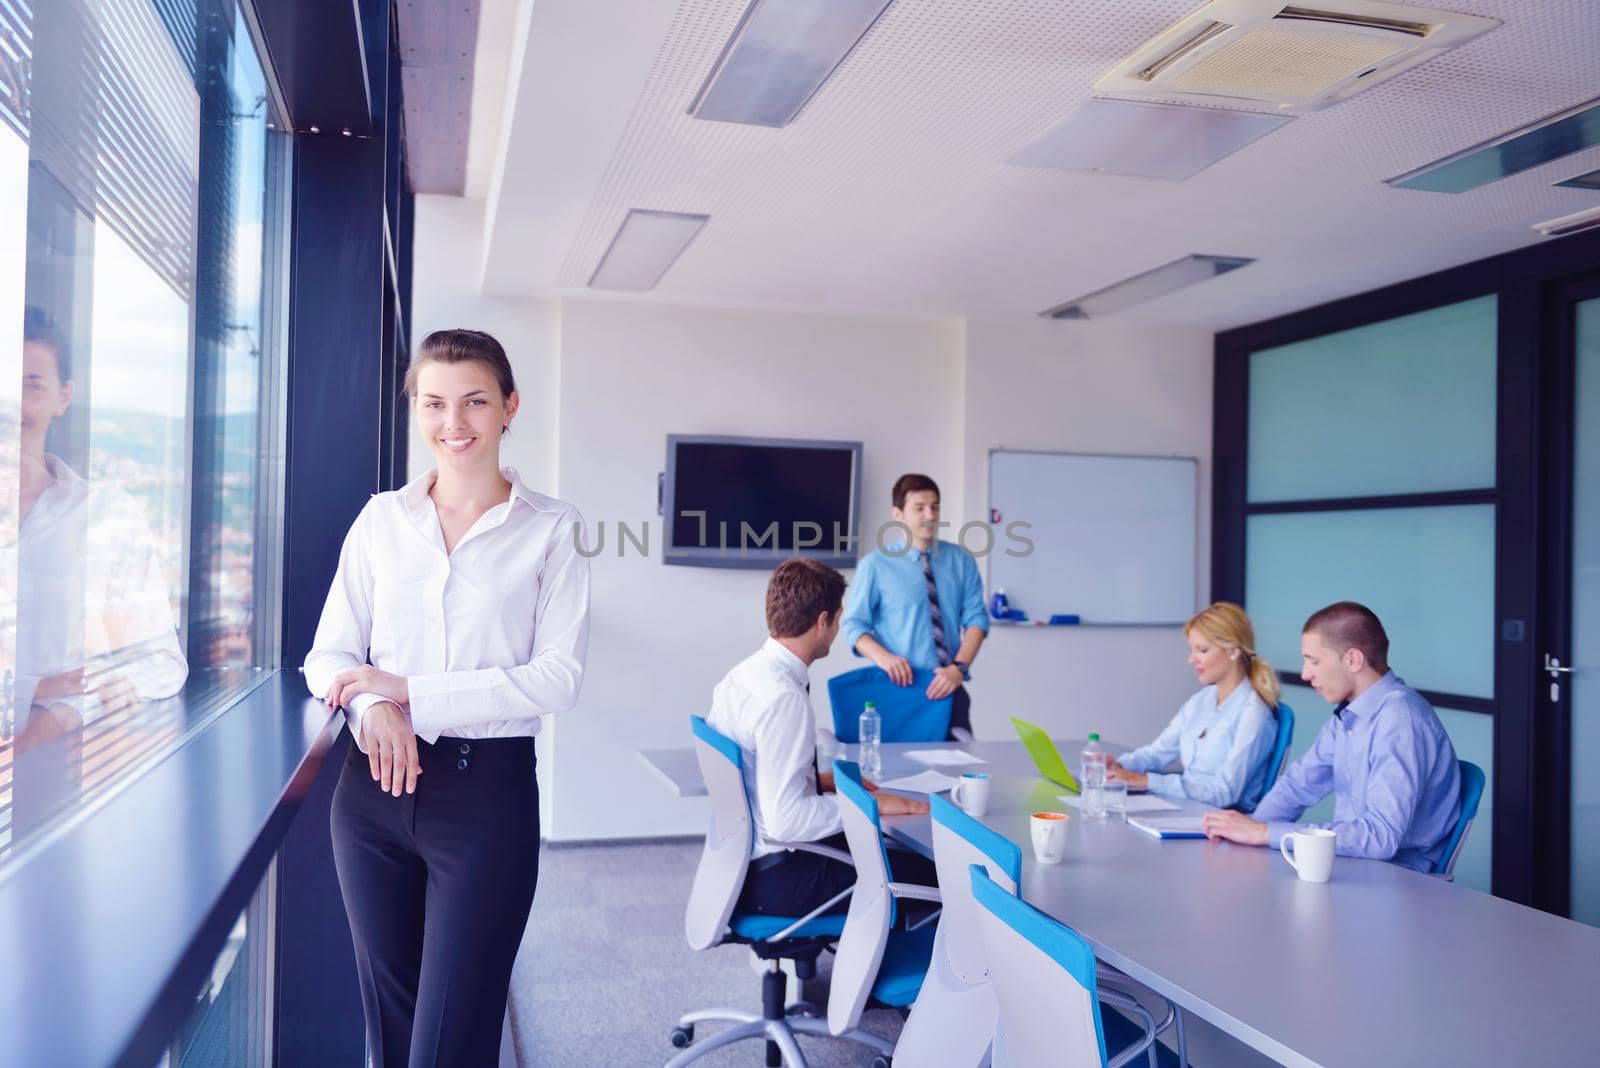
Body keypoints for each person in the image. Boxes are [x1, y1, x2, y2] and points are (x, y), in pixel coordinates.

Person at [303, 328, 590, 1067]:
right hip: (370, 794)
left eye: (473, 402)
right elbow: (328, 655)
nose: (452, 423)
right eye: (433, 403)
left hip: (484, 797)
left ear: (508, 408)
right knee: (394, 1033)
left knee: (453, 1040)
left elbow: (558, 676)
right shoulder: (381, 521)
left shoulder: (551, 529)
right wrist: (374, 710)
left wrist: (409, 692)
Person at [709, 557, 932, 919]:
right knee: (931, 876)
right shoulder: (784, 699)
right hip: (782, 874)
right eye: (838, 619)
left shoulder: (744, 676)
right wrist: (868, 804)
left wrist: (824, 782)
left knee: (888, 850)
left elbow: (760, 773)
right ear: (822, 621)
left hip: (744, 863)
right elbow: (787, 820)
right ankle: (896, 972)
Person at [1201, 602, 1461, 872]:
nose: (1305, 674)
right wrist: (1248, 828)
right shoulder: (1349, 716)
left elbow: (1381, 837)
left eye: (1313, 661)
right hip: (1354, 867)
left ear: (1352, 660)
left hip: (1399, 880)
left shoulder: (1400, 719)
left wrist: (1265, 832)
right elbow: (1297, 785)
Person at [839, 473, 988, 738]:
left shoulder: (961, 561)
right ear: (898, 514)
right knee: (898, 775)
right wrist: (884, 658)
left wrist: (959, 668)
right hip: (900, 693)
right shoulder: (875, 566)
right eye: (919, 508)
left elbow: (977, 620)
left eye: (935, 506)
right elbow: (854, 624)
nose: (930, 515)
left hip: (950, 688)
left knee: (959, 775)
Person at [1106, 602, 1279, 810]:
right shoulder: (1201, 700)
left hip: (1223, 820)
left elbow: (1225, 792)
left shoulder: (1254, 713)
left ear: (1233, 651)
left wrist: (1147, 781)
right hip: (1186, 809)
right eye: (1192, 650)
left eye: (1202, 650)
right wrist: (1119, 766)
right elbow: (1158, 753)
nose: (1191, 659)